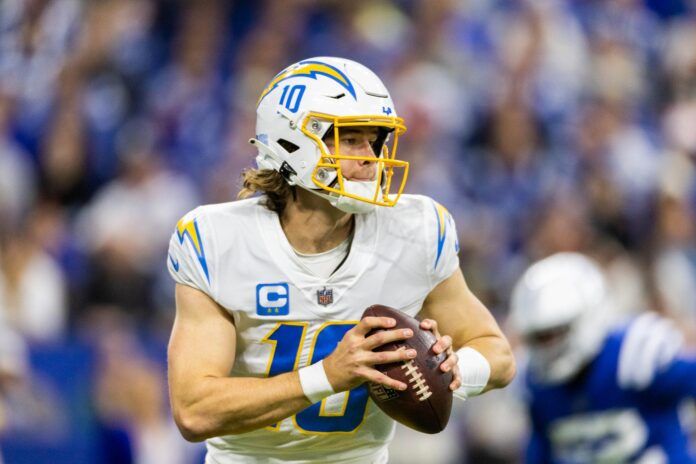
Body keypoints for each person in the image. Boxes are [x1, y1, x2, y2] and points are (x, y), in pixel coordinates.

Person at [166, 57, 515, 464]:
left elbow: (498, 355)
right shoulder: (218, 239)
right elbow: (193, 410)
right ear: (290, 142)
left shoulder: (415, 229)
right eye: (350, 139)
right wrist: (327, 376)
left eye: (375, 140)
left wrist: (456, 367)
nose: (370, 157)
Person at [510, 252, 696, 463]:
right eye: (539, 338)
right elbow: (540, 452)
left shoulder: (633, 355)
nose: (547, 348)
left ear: (588, 318)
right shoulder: (535, 382)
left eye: (555, 334)